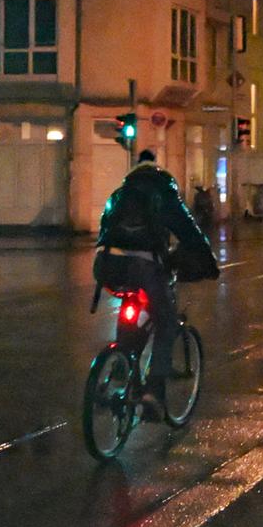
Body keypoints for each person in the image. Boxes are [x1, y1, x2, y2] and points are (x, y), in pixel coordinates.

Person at [94, 149, 219, 420]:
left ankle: (120, 365)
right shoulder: (163, 192)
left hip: (107, 265)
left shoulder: (119, 194)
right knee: (166, 322)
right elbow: (189, 231)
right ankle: (152, 391)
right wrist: (208, 261)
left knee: (131, 305)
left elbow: (103, 229)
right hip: (145, 266)